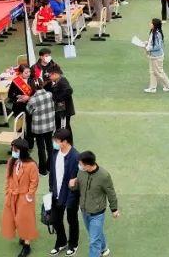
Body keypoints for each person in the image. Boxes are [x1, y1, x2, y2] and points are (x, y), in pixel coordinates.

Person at [0, 137, 39, 257]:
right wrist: (7, 192)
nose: (13, 151)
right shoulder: (11, 162)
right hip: (12, 195)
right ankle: (22, 237)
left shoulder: (31, 165)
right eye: (13, 149)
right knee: (13, 218)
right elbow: (8, 178)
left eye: (15, 150)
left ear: (22, 151)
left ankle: (27, 245)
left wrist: (29, 196)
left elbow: (34, 181)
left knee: (25, 220)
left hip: (24, 196)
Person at [76, 151, 119, 257]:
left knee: (93, 241)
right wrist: (72, 185)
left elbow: (111, 193)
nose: (79, 166)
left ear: (88, 165)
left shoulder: (104, 176)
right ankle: (104, 249)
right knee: (95, 233)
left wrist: (114, 209)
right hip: (84, 210)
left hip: (97, 214)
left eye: (81, 164)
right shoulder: (81, 172)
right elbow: (78, 187)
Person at [48, 128, 80, 256]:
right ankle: (61, 241)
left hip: (71, 193)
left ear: (65, 141)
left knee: (72, 219)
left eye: (57, 141)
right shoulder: (55, 153)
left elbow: (81, 177)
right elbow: (52, 172)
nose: (54, 143)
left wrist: (75, 182)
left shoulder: (76, 156)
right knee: (56, 219)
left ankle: (73, 244)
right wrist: (51, 189)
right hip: (57, 192)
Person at [25, 79, 56, 171]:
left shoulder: (32, 100)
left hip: (39, 128)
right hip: (50, 125)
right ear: (42, 84)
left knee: (41, 147)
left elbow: (29, 111)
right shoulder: (50, 94)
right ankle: (51, 166)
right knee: (49, 145)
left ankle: (42, 168)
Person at [143, 18, 169, 93]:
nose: (150, 24)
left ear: (155, 25)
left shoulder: (157, 34)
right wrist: (147, 43)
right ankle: (152, 88)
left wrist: (148, 48)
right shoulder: (153, 31)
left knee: (159, 72)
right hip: (153, 56)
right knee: (152, 72)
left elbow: (157, 46)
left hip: (156, 57)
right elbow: (153, 42)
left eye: (151, 23)